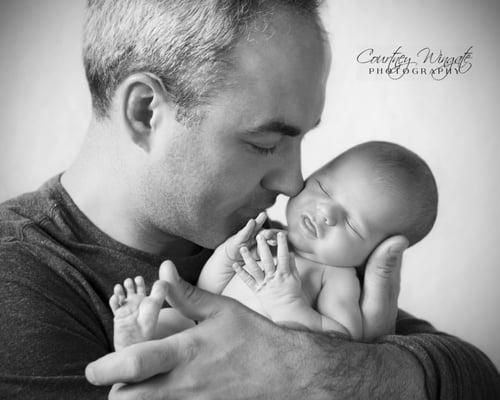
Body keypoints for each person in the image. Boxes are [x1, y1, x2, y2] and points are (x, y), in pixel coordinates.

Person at [0, 1, 498, 399]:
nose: (295, 183)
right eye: (264, 143)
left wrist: (331, 370)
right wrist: (369, 372)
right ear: (146, 111)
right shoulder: (20, 280)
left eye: (303, 141)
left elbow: (475, 376)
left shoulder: (272, 244)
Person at [110, 141, 439, 344]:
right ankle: (137, 333)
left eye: (352, 224)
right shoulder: (269, 237)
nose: (326, 213)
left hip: (248, 363)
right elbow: (209, 291)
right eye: (323, 188)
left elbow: (342, 337)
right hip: (203, 330)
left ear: (373, 253)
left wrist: (288, 304)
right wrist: (229, 253)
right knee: (174, 323)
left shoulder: (335, 276)